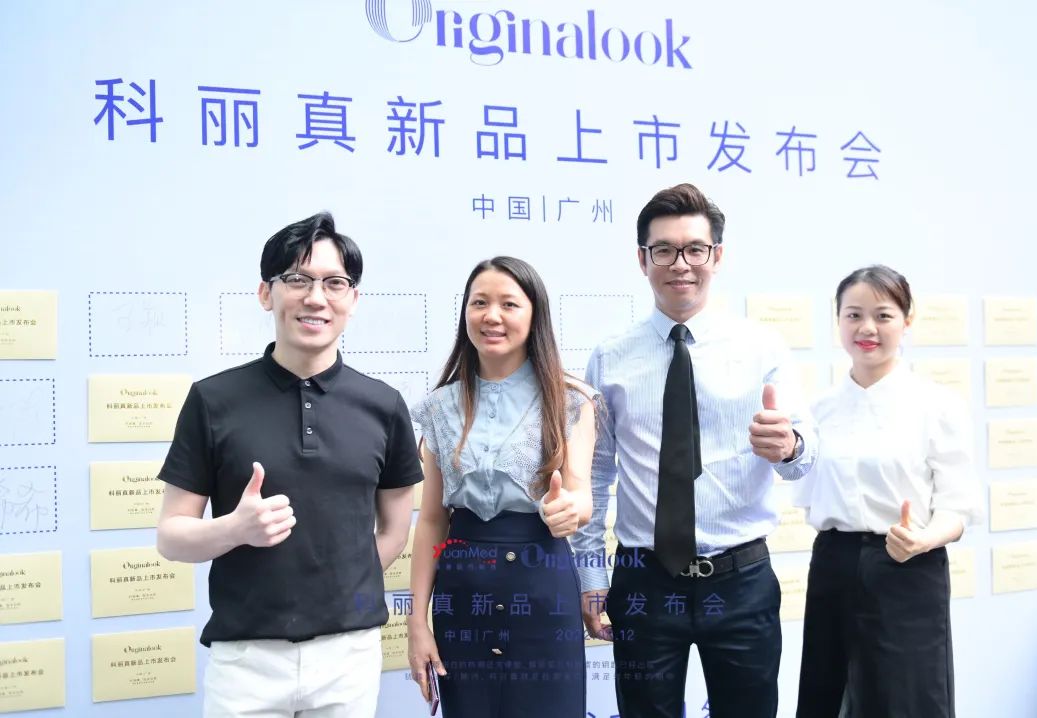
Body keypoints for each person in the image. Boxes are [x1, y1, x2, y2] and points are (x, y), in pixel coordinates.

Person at [155, 212, 421, 717]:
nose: (316, 297)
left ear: (353, 299)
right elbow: (171, 536)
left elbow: (394, 529)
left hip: (349, 657)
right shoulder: (213, 400)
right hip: (247, 659)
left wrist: (341, 583)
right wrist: (234, 529)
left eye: (334, 283)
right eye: (297, 279)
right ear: (266, 293)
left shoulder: (383, 405)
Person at [570, 183, 818, 718]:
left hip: (741, 579)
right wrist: (591, 578)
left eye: (695, 249)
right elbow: (593, 476)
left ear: (717, 256)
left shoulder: (761, 348)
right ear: (642, 260)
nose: (680, 264)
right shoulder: (610, 358)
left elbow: (805, 458)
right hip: (644, 579)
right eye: (663, 250)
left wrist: (790, 446)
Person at [406, 256, 598, 718]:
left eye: (509, 304)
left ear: (534, 315)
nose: (492, 316)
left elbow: (582, 497)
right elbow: (431, 521)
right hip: (462, 596)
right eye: (479, 303)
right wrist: (417, 622)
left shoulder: (571, 400)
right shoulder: (440, 407)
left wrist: (570, 511)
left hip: (542, 590)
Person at [794, 265, 982, 718]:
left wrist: (924, 538)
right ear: (838, 320)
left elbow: (958, 506)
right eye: (853, 315)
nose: (867, 328)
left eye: (883, 315)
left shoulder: (937, 405)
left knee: (908, 701)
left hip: (908, 567)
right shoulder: (818, 410)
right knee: (824, 694)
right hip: (834, 563)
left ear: (907, 320)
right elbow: (805, 493)